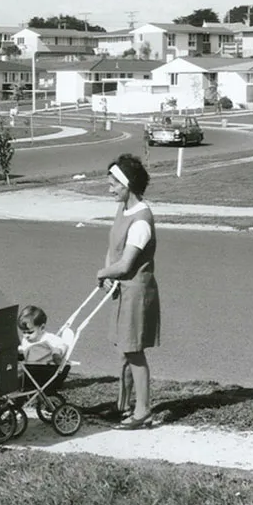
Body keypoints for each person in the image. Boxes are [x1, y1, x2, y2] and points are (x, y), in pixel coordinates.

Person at [96, 153, 160, 430]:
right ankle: (123, 407)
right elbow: (113, 252)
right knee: (124, 351)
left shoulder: (142, 220)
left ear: (127, 185)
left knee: (133, 352)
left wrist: (103, 274)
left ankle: (143, 409)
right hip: (121, 290)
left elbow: (126, 264)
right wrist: (107, 273)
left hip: (136, 292)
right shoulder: (122, 210)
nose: (109, 188)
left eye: (113, 184)